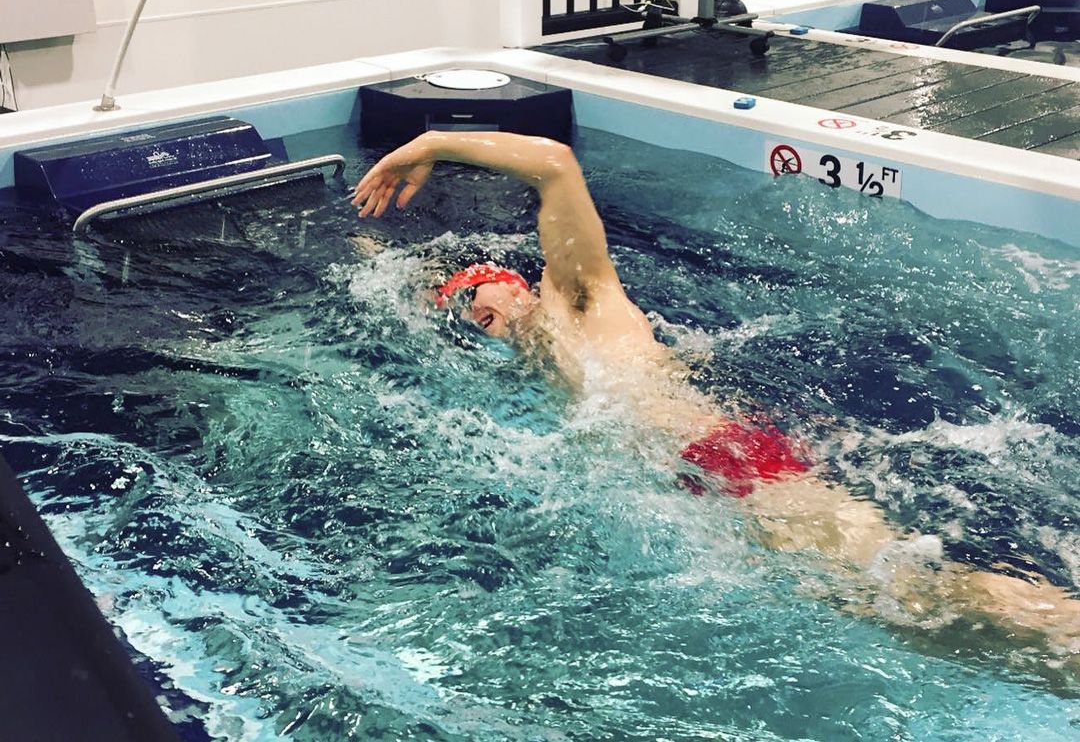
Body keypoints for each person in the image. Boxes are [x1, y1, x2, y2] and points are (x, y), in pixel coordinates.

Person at [353, 129, 1080, 677]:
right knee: (899, 617)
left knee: (917, 594)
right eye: (463, 313)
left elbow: (555, 164)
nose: (477, 314)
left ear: (511, 280)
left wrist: (433, 144)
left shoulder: (578, 298)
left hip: (728, 464)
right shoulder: (537, 361)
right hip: (702, 487)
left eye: (477, 293)